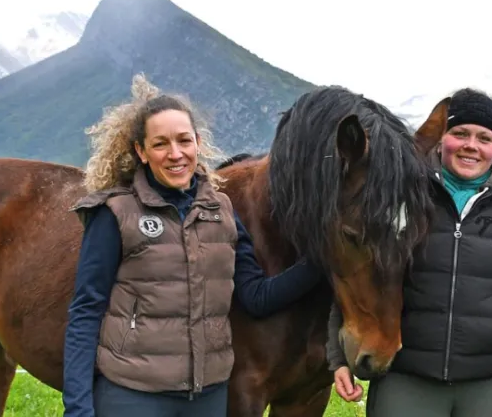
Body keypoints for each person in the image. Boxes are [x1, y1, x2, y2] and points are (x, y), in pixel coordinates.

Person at [62, 76, 325, 416]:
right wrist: (78, 408)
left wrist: (321, 258)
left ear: (197, 143)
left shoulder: (222, 211)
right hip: (134, 395)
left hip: (206, 399)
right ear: (141, 151)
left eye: (184, 140)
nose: (175, 154)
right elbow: (86, 312)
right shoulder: (115, 213)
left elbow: (257, 298)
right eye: (160, 144)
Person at [327, 88, 492, 416]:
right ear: (441, 139)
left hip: (490, 381)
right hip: (408, 378)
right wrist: (338, 358)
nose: (470, 145)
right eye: (459, 133)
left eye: (484, 137)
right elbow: (356, 271)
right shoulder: (401, 194)